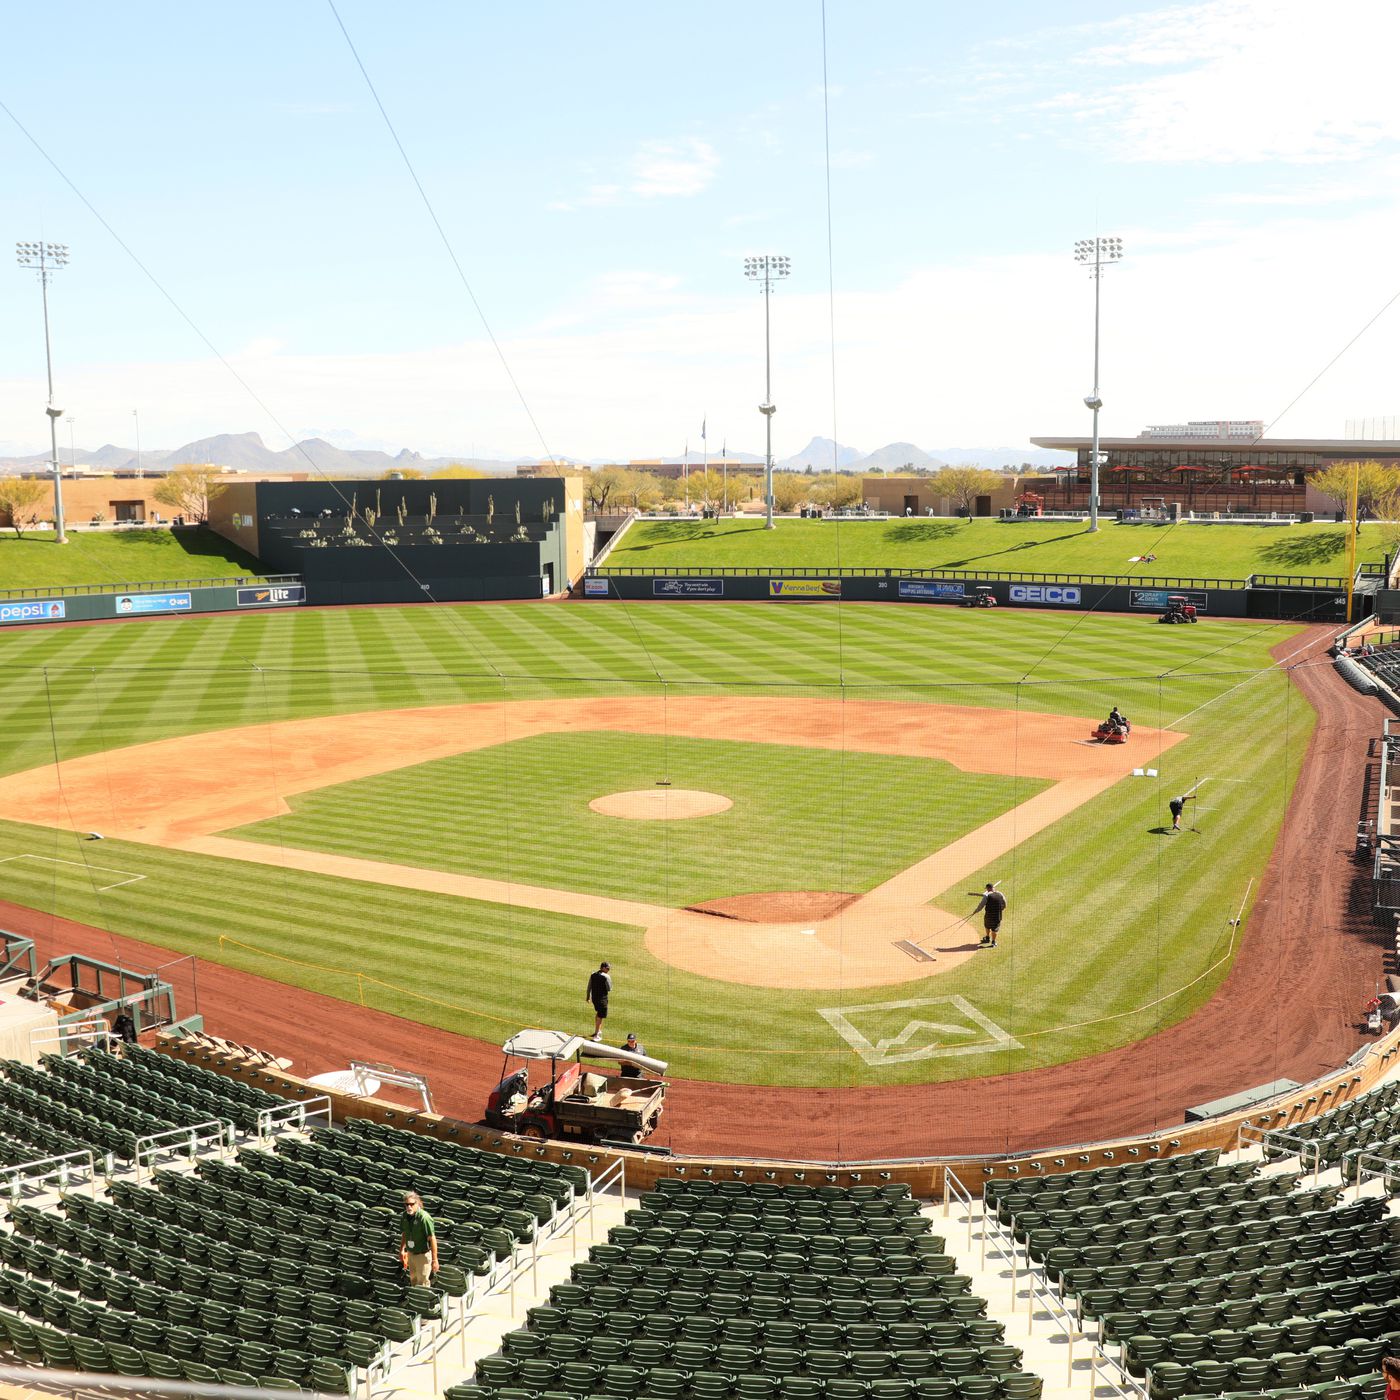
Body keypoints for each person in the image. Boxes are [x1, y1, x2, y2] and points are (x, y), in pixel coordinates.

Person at [399, 1191, 438, 1286]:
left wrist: (435, 1260)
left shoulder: (424, 1218)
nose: (409, 1207)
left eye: (412, 1204)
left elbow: (432, 1239)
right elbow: (405, 1233)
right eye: (407, 1204)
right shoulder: (404, 1216)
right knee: (413, 1281)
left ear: (417, 1204)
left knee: (422, 1284)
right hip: (411, 1254)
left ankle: (422, 1300)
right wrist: (402, 1249)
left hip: (422, 1256)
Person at [973, 883, 1006, 948]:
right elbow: (1004, 903)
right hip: (997, 915)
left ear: (988, 889)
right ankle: (993, 942)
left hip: (988, 915)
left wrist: (976, 911)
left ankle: (987, 937)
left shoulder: (987, 895)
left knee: (987, 925)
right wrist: (1000, 909)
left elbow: (981, 905)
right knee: (995, 929)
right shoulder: (1000, 894)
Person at [586, 962, 612, 1037]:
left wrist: (588, 997)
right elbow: (609, 988)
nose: (608, 970)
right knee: (600, 1015)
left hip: (594, 999)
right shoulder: (606, 976)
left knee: (598, 1014)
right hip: (602, 999)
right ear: (603, 968)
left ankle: (598, 1030)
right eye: (607, 968)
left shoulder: (593, 974)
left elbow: (589, 987)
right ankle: (596, 1034)